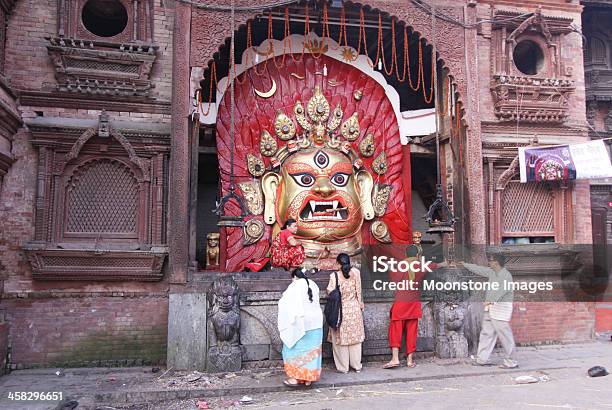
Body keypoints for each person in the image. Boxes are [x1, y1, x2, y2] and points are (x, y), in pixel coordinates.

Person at [461, 253, 518, 369]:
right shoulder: (492, 272)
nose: (489, 262)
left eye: (491, 261)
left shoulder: (506, 275)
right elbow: (479, 270)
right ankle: (482, 359)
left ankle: (511, 361)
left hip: (501, 311)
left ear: (496, 262)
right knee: (486, 334)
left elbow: (502, 291)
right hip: (490, 309)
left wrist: (491, 300)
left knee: (505, 337)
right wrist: (464, 264)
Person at [277, 267, 323, 386]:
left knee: (294, 351)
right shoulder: (313, 284)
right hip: (316, 323)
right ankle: (308, 378)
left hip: (301, 324)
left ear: (294, 277)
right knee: (312, 352)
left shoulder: (295, 286)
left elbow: (284, 303)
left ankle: (295, 378)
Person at [383, 245, 423, 369]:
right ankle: (409, 360)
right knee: (412, 332)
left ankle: (395, 359)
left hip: (400, 304)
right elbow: (436, 266)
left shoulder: (399, 267)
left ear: (406, 254)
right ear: (416, 255)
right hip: (413, 304)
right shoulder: (421, 266)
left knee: (395, 331)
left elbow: (393, 278)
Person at [326, 253, 365, 374]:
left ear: (338, 263)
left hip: (340, 311)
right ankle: (357, 365)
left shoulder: (334, 276)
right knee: (355, 340)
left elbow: (330, 292)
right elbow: (359, 290)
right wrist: (360, 304)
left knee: (340, 340)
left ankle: (343, 367)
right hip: (354, 309)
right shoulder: (356, 273)